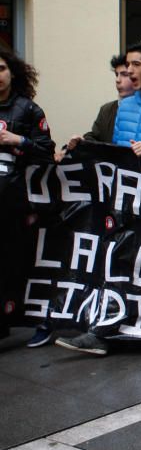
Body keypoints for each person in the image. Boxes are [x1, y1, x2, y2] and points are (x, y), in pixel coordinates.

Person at [56, 43, 141, 356]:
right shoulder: (125, 107)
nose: (128, 71)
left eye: (134, 65)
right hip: (126, 200)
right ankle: (106, 332)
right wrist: (86, 147)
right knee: (118, 262)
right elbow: (118, 151)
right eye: (126, 66)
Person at [0, 50, 55, 348]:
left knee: (15, 261)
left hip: (16, 201)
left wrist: (18, 141)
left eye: (1, 69)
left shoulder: (29, 110)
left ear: (13, 73)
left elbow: (47, 150)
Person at [84, 55, 133, 144]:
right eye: (116, 74)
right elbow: (95, 137)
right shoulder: (106, 109)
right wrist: (80, 142)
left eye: (124, 75)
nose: (118, 80)